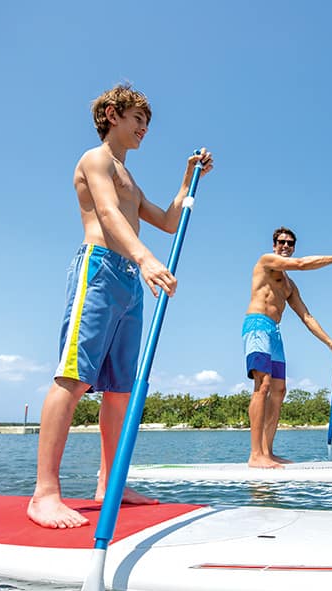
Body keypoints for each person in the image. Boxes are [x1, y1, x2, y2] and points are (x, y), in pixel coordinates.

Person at [28, 83, 214, 528]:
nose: (145, 129)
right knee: (73, 376)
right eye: (138, 120)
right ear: (112, 115)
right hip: (100, 271)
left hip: (130, 280)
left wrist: (188, 181)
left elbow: (168, 223)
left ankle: (110, 482)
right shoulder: (96, 160)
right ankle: (44, 493)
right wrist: (146, 258)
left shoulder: (130, 177)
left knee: (120, 391)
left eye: (147, 123)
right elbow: (109, 214)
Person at [243, 227, 332, 468]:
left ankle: (268, 451)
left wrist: (329, 342)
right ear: (274, 245)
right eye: (281, 242)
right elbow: (303, 264)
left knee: (279, 390)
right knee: (262, 385)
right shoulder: (266, 260)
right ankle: (255, 455)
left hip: (275, 332)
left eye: (290, 243)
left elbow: (306, 316)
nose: (285, 246)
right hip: (257, 326)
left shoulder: (289, 285)